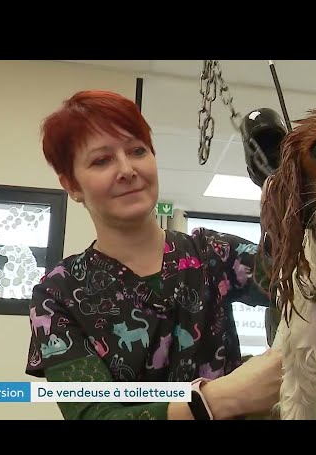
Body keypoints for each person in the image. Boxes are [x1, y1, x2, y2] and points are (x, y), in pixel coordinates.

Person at [25, 89, 282, 420]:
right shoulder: (57, 294)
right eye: (102, 160)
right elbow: (94, 415)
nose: (127, 169)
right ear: (72, 184)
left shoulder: (214, 254)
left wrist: (294, 194)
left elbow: (307, 282)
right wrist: (224, 399)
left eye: (137, 150)